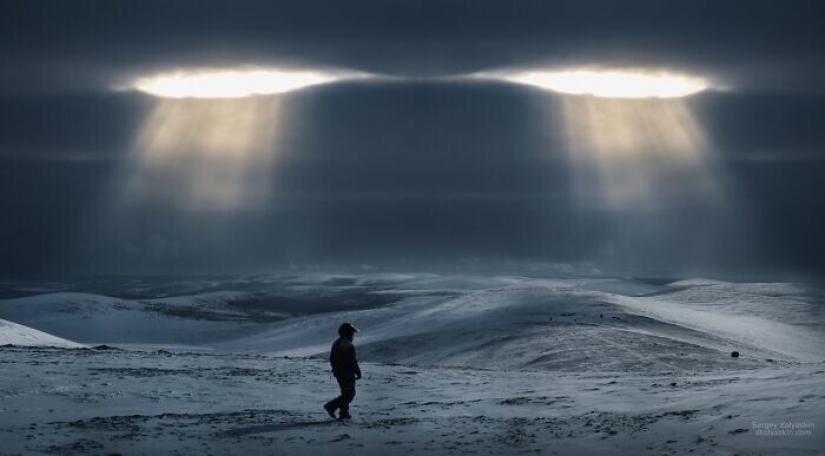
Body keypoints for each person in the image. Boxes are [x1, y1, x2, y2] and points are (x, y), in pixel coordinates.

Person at [323, 322, 362, 420]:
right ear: (347, 333)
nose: (353, 335)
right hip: (346, 373)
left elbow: (333, 358)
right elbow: (352, 361)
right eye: (352, 333)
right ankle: (331, 406)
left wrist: (336, 369)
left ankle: (344, 413)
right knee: (350, 394)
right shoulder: (347, 344)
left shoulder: (337, 342)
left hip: (340, 372)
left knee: (345, 393)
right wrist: (358, 372)